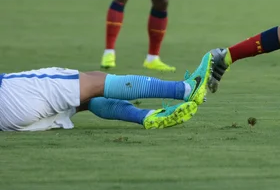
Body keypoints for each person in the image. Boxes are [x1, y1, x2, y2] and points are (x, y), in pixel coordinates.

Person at [0, 53, 212, 132]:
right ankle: (185, 89)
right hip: (10, 93)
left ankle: (147, 117)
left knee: (84, 99)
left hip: (9, 121)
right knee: (94, 82)